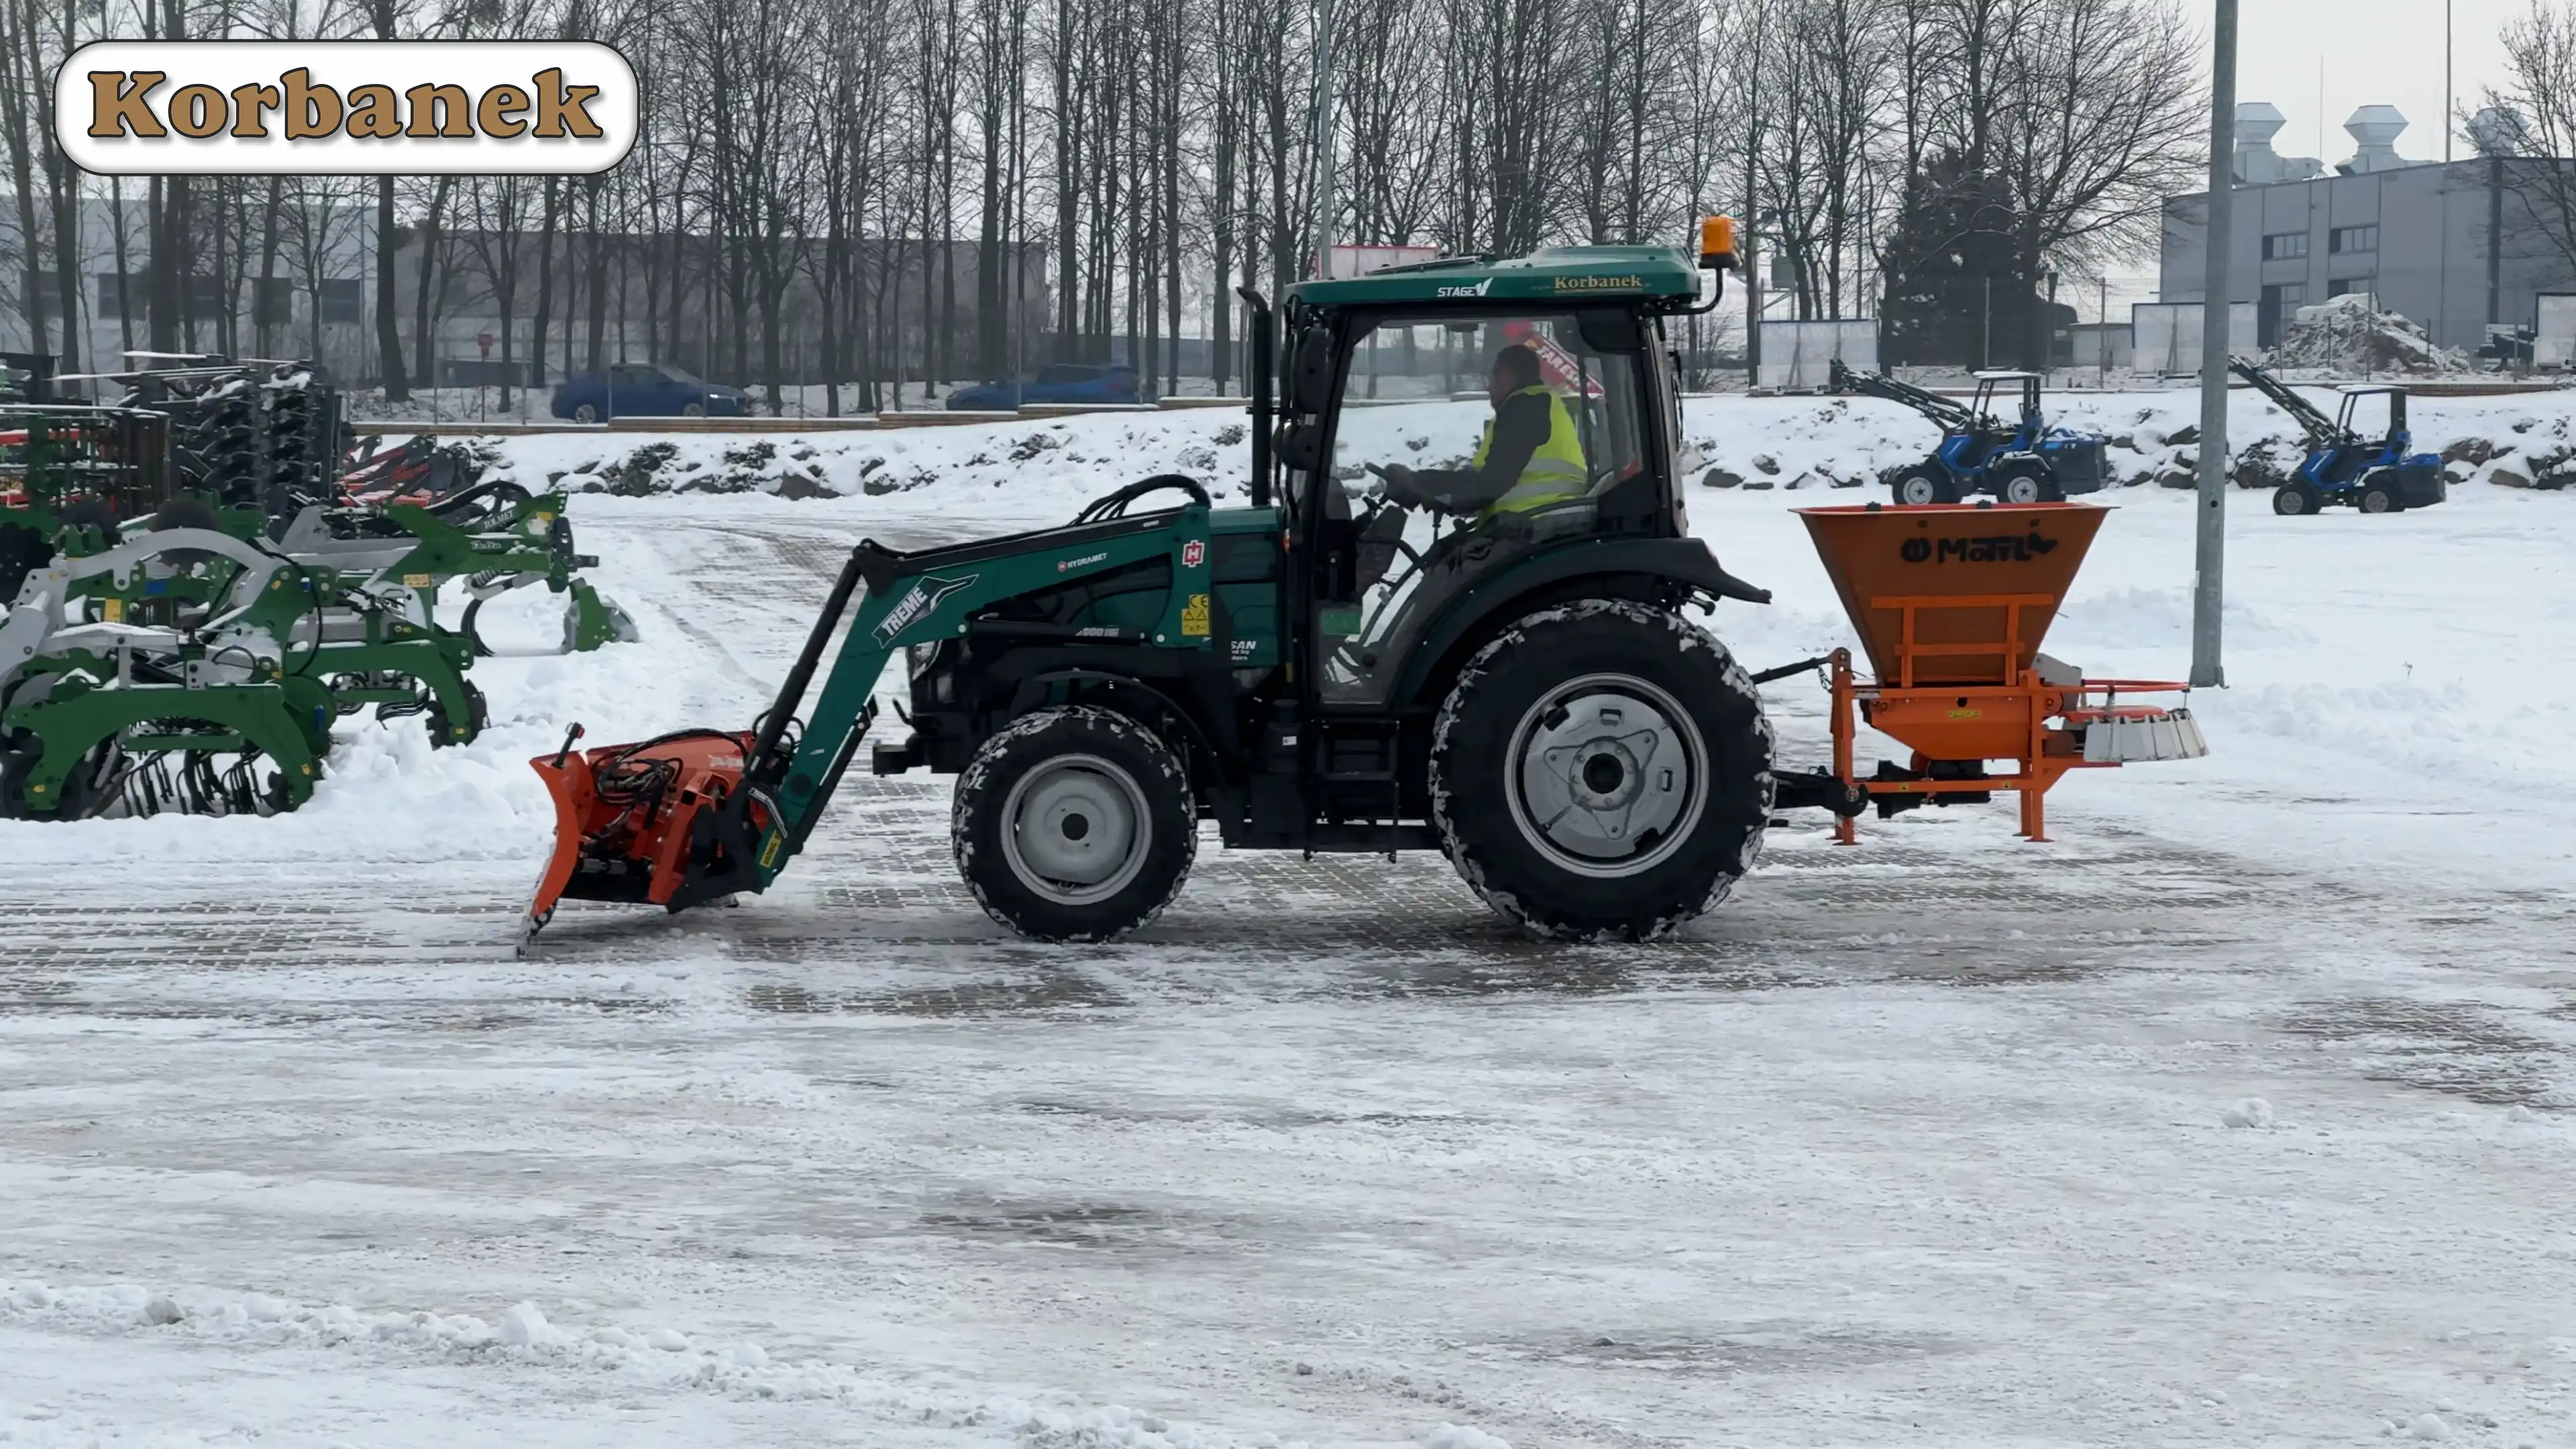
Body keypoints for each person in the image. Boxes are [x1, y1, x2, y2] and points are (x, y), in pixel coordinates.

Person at [1375, 344, 1587, 519]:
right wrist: (1421, 482)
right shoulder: (1540, 403)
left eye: (1492, 379)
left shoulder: (1525, 406)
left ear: (1505, 375)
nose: (1489, 389)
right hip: (1538, 522)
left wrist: (1424, 487)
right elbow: (1485, 478)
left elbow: (1490, 485)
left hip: (1531, 526)